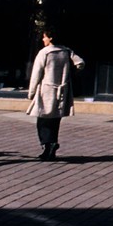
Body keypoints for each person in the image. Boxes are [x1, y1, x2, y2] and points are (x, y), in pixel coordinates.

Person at [26, 28, 84, 160]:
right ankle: (50, 148)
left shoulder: (44, 53)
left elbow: (36, 74)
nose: (43, 39)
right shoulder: (66, 51)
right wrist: (71, 73)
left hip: (46, 90)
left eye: (44, 37)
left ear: (50, 38)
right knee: (55, 120)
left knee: (43, 119)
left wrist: (31, 92)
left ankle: (48, 144)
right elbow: (80, 62)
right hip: (62, 90)